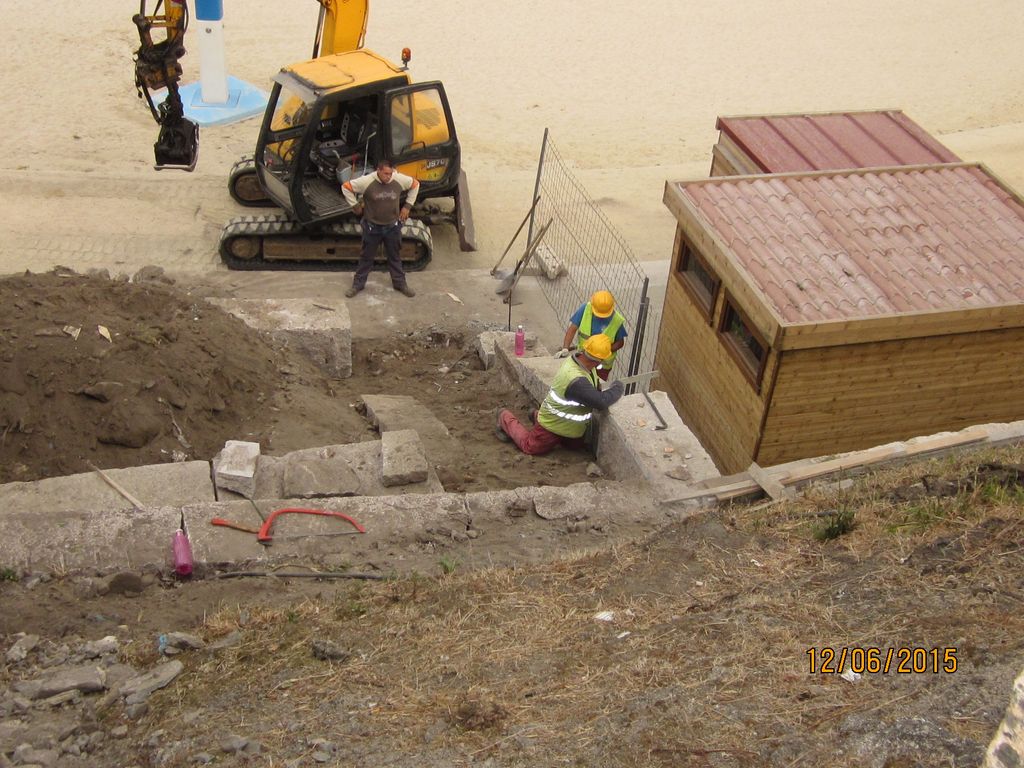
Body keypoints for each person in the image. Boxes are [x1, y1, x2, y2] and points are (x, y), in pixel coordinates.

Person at [496, 334, 624, 455]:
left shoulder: (582, 362)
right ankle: (504, 417)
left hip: (571, 428)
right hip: (552, 424)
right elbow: (601, 402)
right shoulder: (575, 379)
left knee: (574, 446)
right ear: (599, 360)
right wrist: (618, 387)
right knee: (530, 446)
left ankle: (534, 415)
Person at [341, 158, 419, 298]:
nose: (388, 177)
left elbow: (415, 184)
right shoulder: (366, 181)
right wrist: (355, 206)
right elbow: (346, 187)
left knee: (394, 257)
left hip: (392, 227)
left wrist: (407, 206)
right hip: (372, 228)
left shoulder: (399, 179)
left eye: (390, 174)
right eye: (385, 174)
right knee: (366, 258)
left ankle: (400, 283)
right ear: (378, 171)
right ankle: (358, 285)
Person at [556, 290, 627, 381]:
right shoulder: (585, 309)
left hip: (603, 365)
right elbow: (572, 329)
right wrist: (565, 348)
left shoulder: (616, 320)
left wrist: (602, 350)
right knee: (580, 382)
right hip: (584, 358)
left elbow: (620, 342)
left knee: (596, 385)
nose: (601, 317)